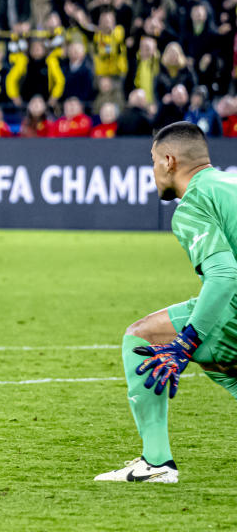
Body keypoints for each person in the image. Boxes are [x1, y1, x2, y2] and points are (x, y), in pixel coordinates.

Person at [95, 122, 237, 483]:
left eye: (153, 161)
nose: (153, 171)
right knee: (220, 362)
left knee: (143, 336)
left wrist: (184, 344)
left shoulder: (193, 202)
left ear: (169, 161)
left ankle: (156, 462)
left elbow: (224, 276)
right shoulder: (230, 185)